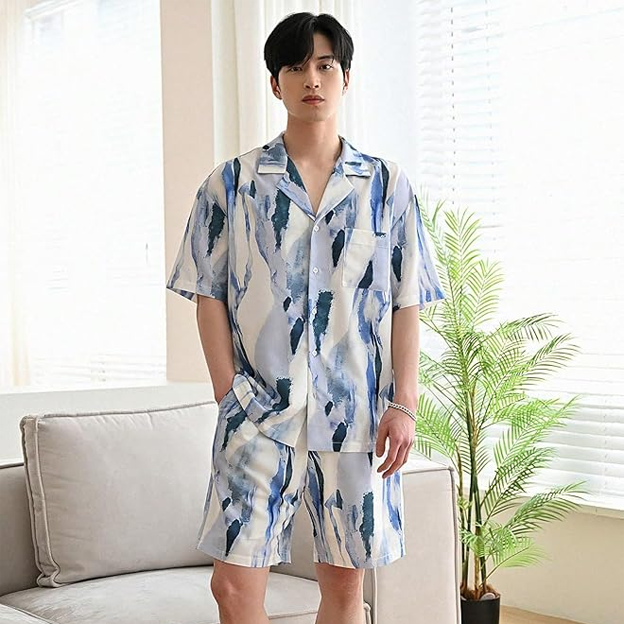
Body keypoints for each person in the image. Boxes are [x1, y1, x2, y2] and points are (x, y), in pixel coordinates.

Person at [166, 11, 445, 624]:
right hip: (258, 412)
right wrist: (227, 392)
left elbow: (408, 300)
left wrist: (404, 403)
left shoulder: (387, 186)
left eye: (325, 65)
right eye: (295, 67)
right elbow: (207, 293)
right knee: (233, 586)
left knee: (344, 586)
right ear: (275, 83)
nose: (311, 79)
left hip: (357, 417)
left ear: (346, 78)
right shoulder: (231, 185)